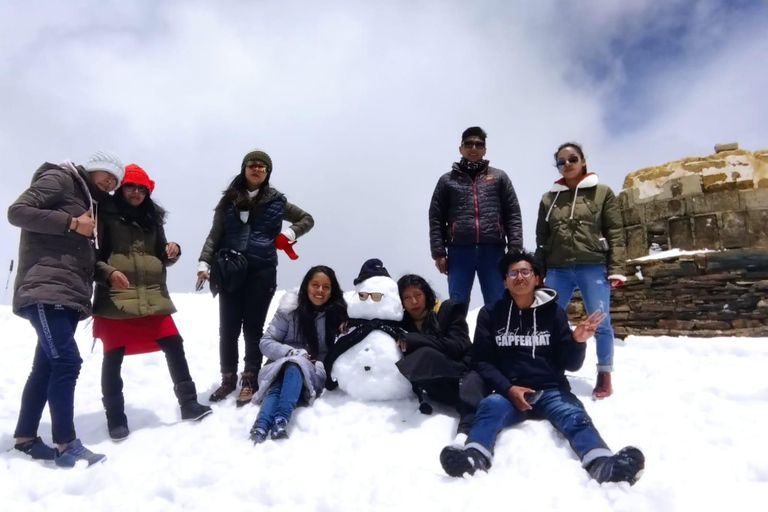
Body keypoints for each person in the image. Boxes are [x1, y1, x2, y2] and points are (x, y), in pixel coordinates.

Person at [439, 250, 644, 484]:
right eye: (513, 273)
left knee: (575, 416)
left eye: (526, 271)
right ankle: (473, 458)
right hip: (509, 391)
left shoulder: (554, 313)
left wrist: (577, 341)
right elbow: (481, 361)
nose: (519, 277)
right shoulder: (491, 314)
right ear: (505, 281)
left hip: (550, 389)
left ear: (537, 278)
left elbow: (571, 364)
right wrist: (508, 389)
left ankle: (603, 464)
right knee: (488, 409)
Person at [9, 150, 124, 467]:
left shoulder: (88, 200)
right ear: (93, 168)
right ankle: (66, 443)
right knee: (67, 362)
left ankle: (25, 438)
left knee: (46, 367)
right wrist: (72, 222)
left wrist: (108, 273)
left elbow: (84, 254)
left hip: (69, 294)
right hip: (45, 289)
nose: (110, 182)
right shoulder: (61, 179)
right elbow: (17, 212)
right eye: (107, 175)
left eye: (115, 181)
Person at [93, 164, 212, 441]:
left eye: (141, 188)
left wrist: (173, 251)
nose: (135, 192)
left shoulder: (153, 219)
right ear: (121, 188)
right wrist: (108, 274)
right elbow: (92, 255)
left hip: (151, 293)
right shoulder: (103, 214)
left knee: (173, 343)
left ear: (148, 191)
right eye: (130, 186)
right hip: (117, 297)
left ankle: (189, 404)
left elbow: (161, 253)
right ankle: (116, 419)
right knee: (113, 356)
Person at [197, 149, 314, 406]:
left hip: (262, 271)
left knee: (252, 328)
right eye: (253, 164)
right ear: (244, 167)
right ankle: (228, 378)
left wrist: (289, 235)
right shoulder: (228, 201)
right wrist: (204, 263)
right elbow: (214, 235)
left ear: (267, 173)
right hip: (229, 269)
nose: (257, 169)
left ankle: (249, 377)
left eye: (263, 167)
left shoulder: (277, 200)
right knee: (227, 328)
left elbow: (307, 219)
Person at [535, 142, 626, 399]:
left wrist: (616, 268)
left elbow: (615, 233)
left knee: (601, 321)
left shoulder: (602, 192)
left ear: (583, 160)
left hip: (593, 266)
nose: (567, 164)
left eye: (572, 159)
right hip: (557, 268)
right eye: (561, 161)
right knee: (549, 320)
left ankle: (604, 373)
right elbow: (542, 237)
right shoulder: (548, 199)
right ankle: (549, 368)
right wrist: (538, 269)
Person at [248, 266, 347, 443]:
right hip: (278, 366)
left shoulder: (340, 314)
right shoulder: (289, 310)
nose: (320, 290)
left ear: (332, 291)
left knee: (293, 366)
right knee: (290, 366)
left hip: (316, 370)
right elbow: (266, 342)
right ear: (306, 286)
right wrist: (292, 352)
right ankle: (269, 424)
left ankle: (269, 422)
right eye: (315, 285)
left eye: (326, 287)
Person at [429, 126, 523, 307]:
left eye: (479, 145)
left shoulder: (499, 177)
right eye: (469, 144)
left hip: (493, 250)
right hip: (459, 251)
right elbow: (436, 217)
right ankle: (456, 336)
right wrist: (439, 253)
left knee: (498, 301)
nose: (474, 148)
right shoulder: (447, 180)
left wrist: (514, 249)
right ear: (461, 148)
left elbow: (513, 214)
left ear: (485, 150)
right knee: (457, 303)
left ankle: (496, 336)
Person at [395, 274, 486, 443]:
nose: (414, 302)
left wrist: (417, 339)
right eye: (407, 298)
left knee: (468, 398)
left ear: (426, 294)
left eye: (418, 295)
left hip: (462, 370)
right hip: (435, 381)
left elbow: (458, 346)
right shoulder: (401, 322)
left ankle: (464, 439)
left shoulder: (447, 310)